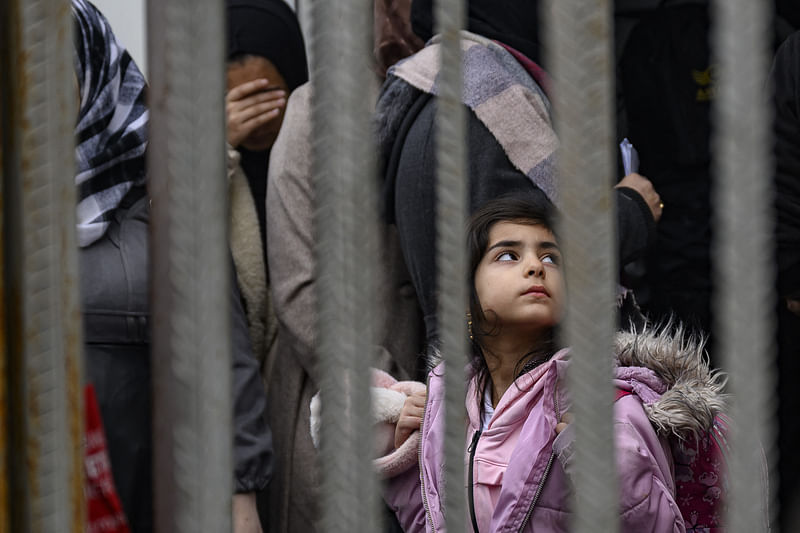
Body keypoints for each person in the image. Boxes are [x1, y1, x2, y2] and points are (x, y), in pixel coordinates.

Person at [380, 193, 725, 532]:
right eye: (508, 255)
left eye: (550, 259)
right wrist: (408, 460)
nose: (534, 266)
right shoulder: (446, 405)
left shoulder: (608, 407)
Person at [72, 1, 273, 531]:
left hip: (150, 500)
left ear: (90, 68)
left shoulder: (164, 198)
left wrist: (240, 497)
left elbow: (223, 360)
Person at [376, 0, 663, 349]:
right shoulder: (483, 104)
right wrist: (631, 211)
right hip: (517, 382)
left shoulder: (461, 87)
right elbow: (521, 263)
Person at [261, 2, 425, 531]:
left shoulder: (456, 100)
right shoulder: (317, 110)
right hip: (345, 408)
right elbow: (299, 287)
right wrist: (395, 389)